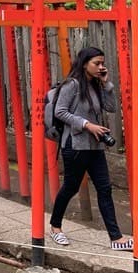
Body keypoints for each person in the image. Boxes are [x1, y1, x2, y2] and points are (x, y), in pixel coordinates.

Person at [48, 46, 133, 251]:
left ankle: (116, 238)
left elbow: (111, 108)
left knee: (105, 189)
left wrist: (106, 84)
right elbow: (60, 111)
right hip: (75, 145)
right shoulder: (72, 85)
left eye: (102, 63)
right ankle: (55, 227)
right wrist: (87, 124)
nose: (101, 67)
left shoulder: (95, 85)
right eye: (97, 63)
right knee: (71, 187)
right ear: (84, 63)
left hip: (95, 147)